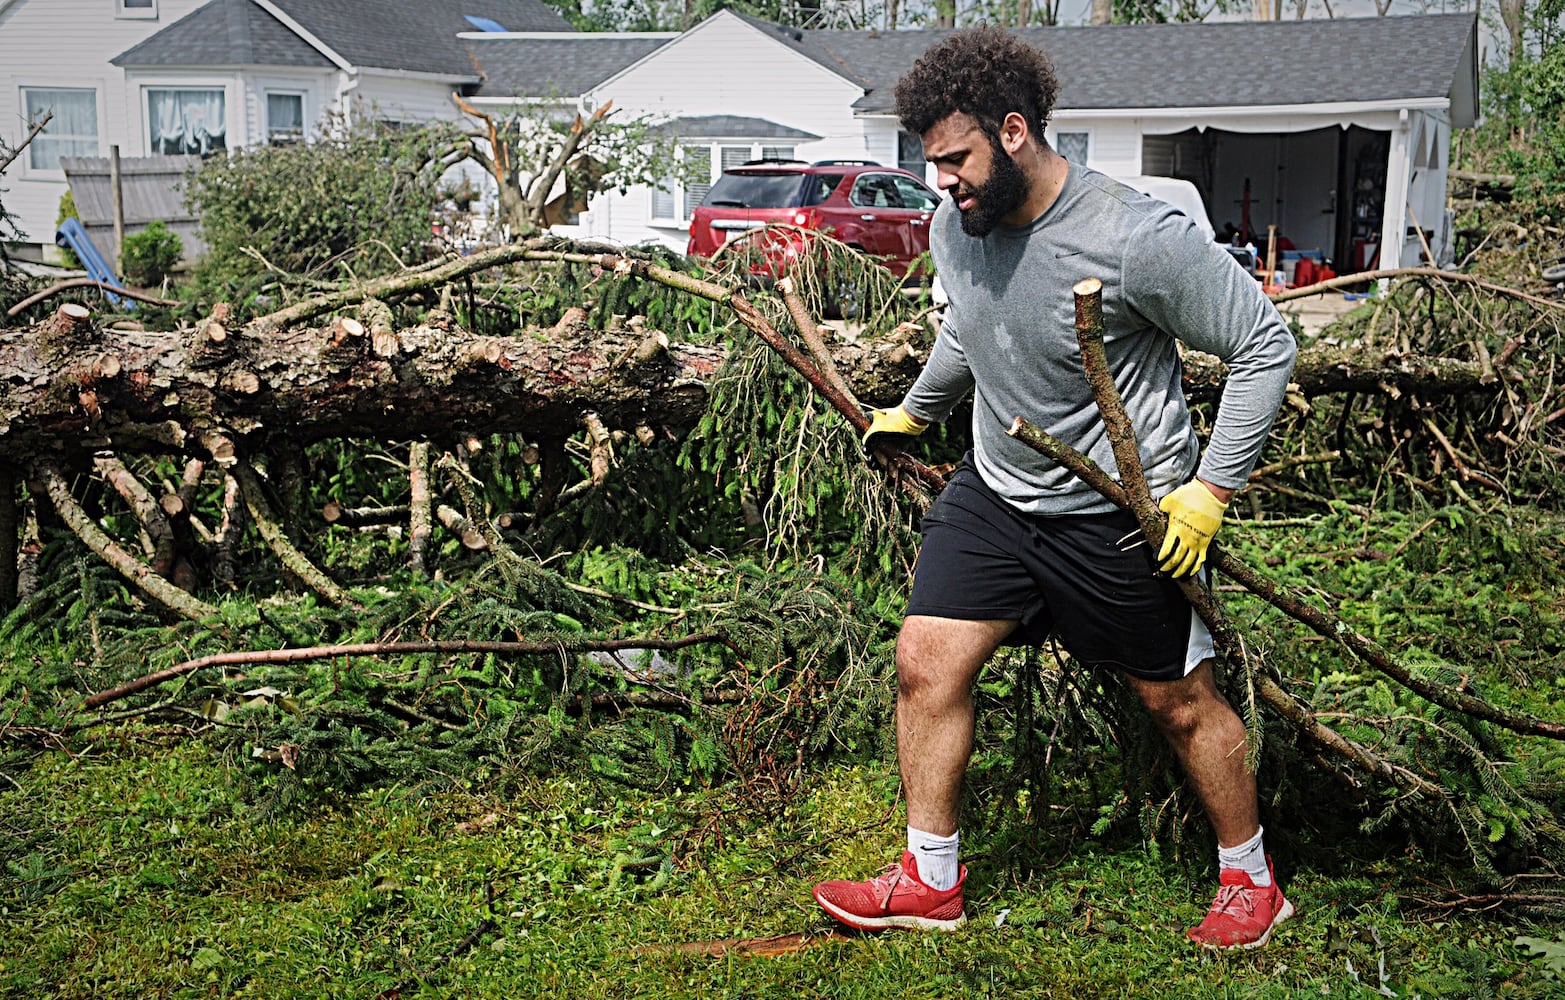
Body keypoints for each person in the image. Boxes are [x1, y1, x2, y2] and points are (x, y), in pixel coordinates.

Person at [811, 26, 1299, 951]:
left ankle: (1252, 879)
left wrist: (1209, 491)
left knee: (1176, 702)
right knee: (925, 662)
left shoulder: (1133, 237)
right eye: (931, 164)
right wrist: (915, 411)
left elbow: (1264, 346)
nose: (942, 182)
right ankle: (930, 880)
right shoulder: (956, 227)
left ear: (1014, 131)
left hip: (1114, 514)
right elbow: (972, 327)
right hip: (997, 497)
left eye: (955, 159)